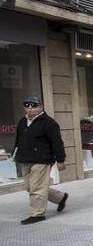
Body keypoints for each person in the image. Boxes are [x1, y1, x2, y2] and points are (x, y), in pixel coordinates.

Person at [13, 96, 69, 225]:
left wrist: (60, 160)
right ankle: (60, 197)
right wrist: (15, 153)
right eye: (27, 106)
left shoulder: (48, 123)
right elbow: (18, 140)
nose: (30, 108)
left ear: (41, 107)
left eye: (34, 105)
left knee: (37, 187)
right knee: (29, 187)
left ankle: (37, 214)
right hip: (25, 159)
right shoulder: (22, 121)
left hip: (42, 159)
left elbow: (57, 142)